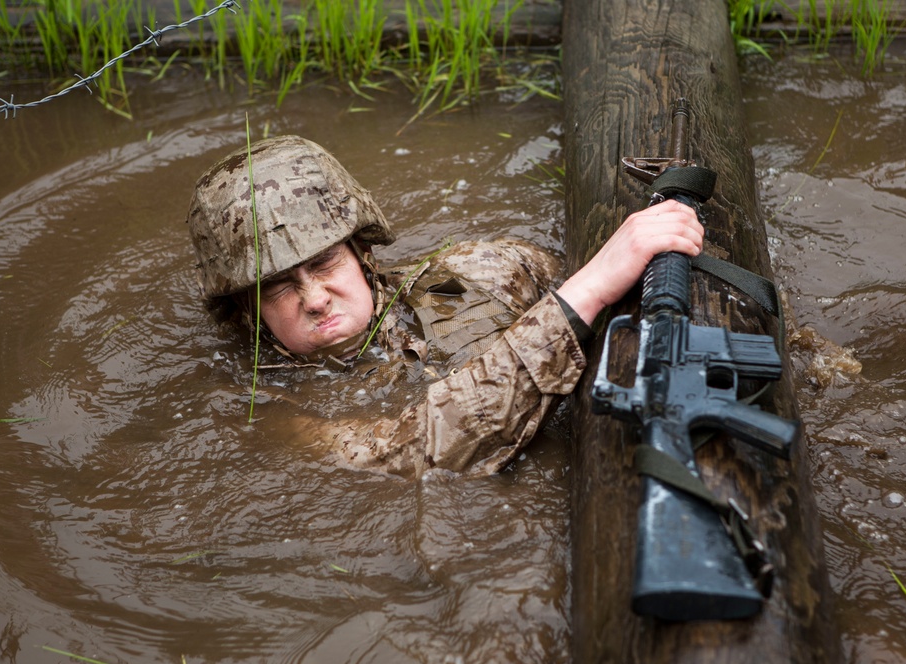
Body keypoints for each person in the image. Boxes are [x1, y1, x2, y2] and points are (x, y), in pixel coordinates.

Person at [188, 135, 703, 477]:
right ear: (245, 310)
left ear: (361, 254)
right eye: (278, 287)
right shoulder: (264, 409)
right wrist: (586, 292)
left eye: (324, 264)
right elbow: (412, 451)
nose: (315, 299)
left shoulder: (487, 271)